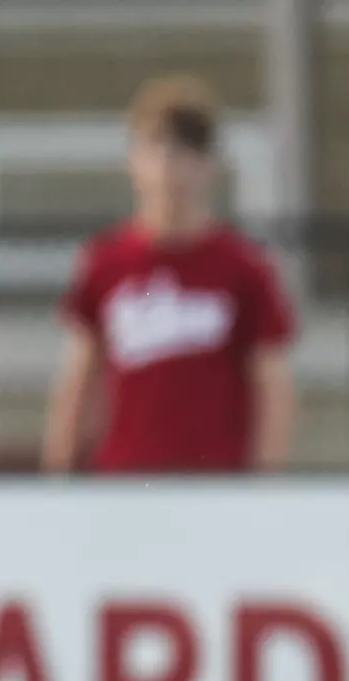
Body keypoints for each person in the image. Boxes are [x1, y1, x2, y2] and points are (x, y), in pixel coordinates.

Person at [44, 73, 296, 474]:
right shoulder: (106, 264)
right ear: (134, 162)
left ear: (209, 164)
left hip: (216, 486)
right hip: (128, 482)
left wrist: (267, 484)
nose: (169, 169)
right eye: (155, 150)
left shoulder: (244, 268)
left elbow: (272, 383)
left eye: (185, 153)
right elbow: (79, 379)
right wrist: (60, 469)